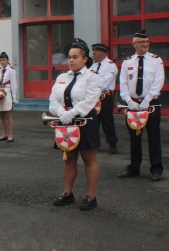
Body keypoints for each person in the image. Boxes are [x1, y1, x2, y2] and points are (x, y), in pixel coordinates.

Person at [49, 39, 102, 211]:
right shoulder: (62, 77)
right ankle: (68, 193)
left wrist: (70, 114)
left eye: (75, 57)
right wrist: (61, 113)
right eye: (69, 57)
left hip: (85, 121)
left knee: (89, 159)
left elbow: (90, 101)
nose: (71, 60)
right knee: (69, 159)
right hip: (65, 121)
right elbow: (52, 100)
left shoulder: (93, 78)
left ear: (85, 59)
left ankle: (91, 196)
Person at [118, 29, 165, 181]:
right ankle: (134, 167)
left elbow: (159, 81)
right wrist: (129, 101)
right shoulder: (127, 62)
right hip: (132, 104)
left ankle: (156, 169)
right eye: (141, 42)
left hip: (151, 103)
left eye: (147, 42)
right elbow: (123, 83)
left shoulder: (156, 60)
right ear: (134, 44)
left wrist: (147, 100)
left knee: (154, 137)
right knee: (134, 138)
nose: (145, 45)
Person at [89, 43, 119, 154]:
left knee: (107, 121)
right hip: (93, 97)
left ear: (101, 54)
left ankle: (112, 143)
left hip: (105, 97)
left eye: (95, 53)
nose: (93, 55)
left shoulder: (111, 65)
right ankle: (94, 144)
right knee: (93, 121)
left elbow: (104, 83)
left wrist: (92, 86)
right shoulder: (93, 65)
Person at [0, 52, 18, 143]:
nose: (2, 62)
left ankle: (11, 135)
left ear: (7, 60)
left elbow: (14, 85)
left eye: (4, 60)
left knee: (8, 115)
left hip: (7, 93)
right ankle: (4, 134)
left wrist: (14, 98)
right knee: (1, 115)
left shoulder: (11, 71)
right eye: (0, 60)